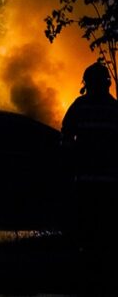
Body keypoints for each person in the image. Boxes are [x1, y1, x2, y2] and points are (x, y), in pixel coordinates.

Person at [61, 62, 118, 292]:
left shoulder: (79, 107)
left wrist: (68, 166)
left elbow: (66, 138)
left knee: (87, 232)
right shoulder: (115, 109)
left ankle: (86, 276)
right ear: (107, 83)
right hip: (110, 184)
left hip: (84, 182)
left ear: (86, 84)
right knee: (106, 232)